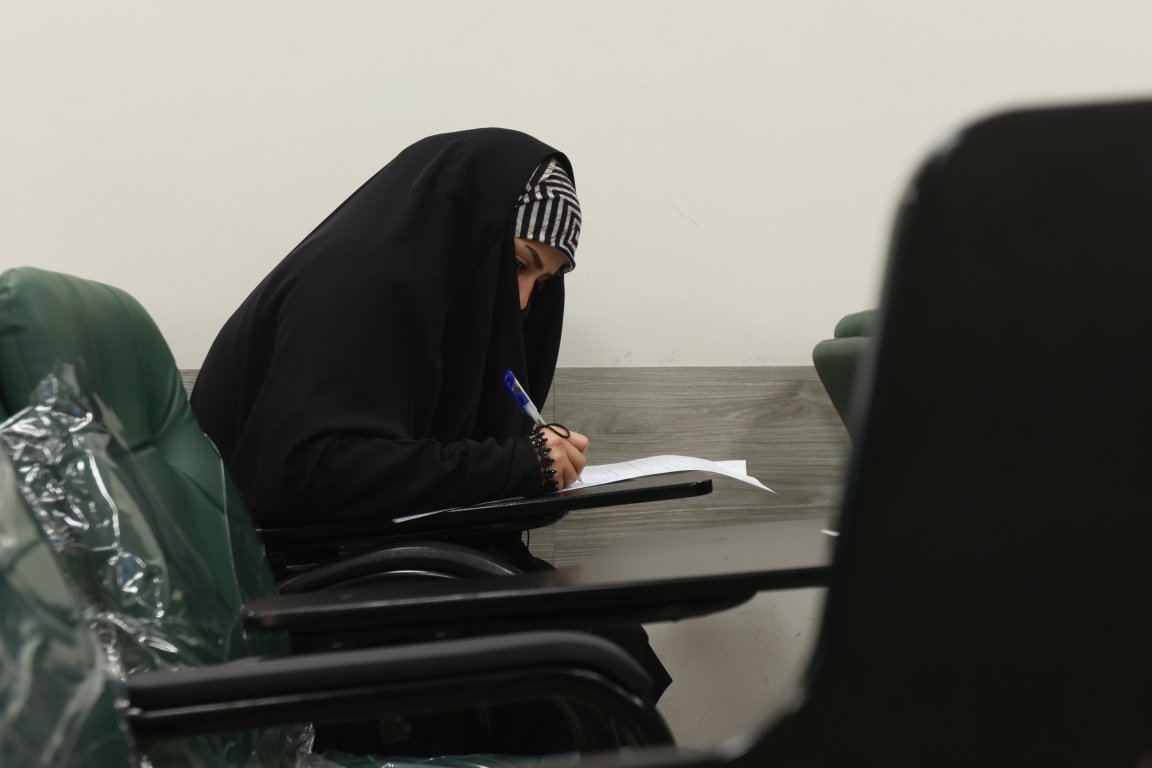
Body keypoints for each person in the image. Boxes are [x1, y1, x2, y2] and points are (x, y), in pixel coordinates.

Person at [190, 128, 670, 753]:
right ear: (469, 232)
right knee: (578, 653)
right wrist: (515, 464)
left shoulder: (421, 295)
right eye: (519, 263)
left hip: (372, 566)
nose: (525, 299)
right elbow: (306, 470)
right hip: (290, 589)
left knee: (603, 634)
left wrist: (533, 472)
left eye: (547, 279)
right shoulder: (356, 287)